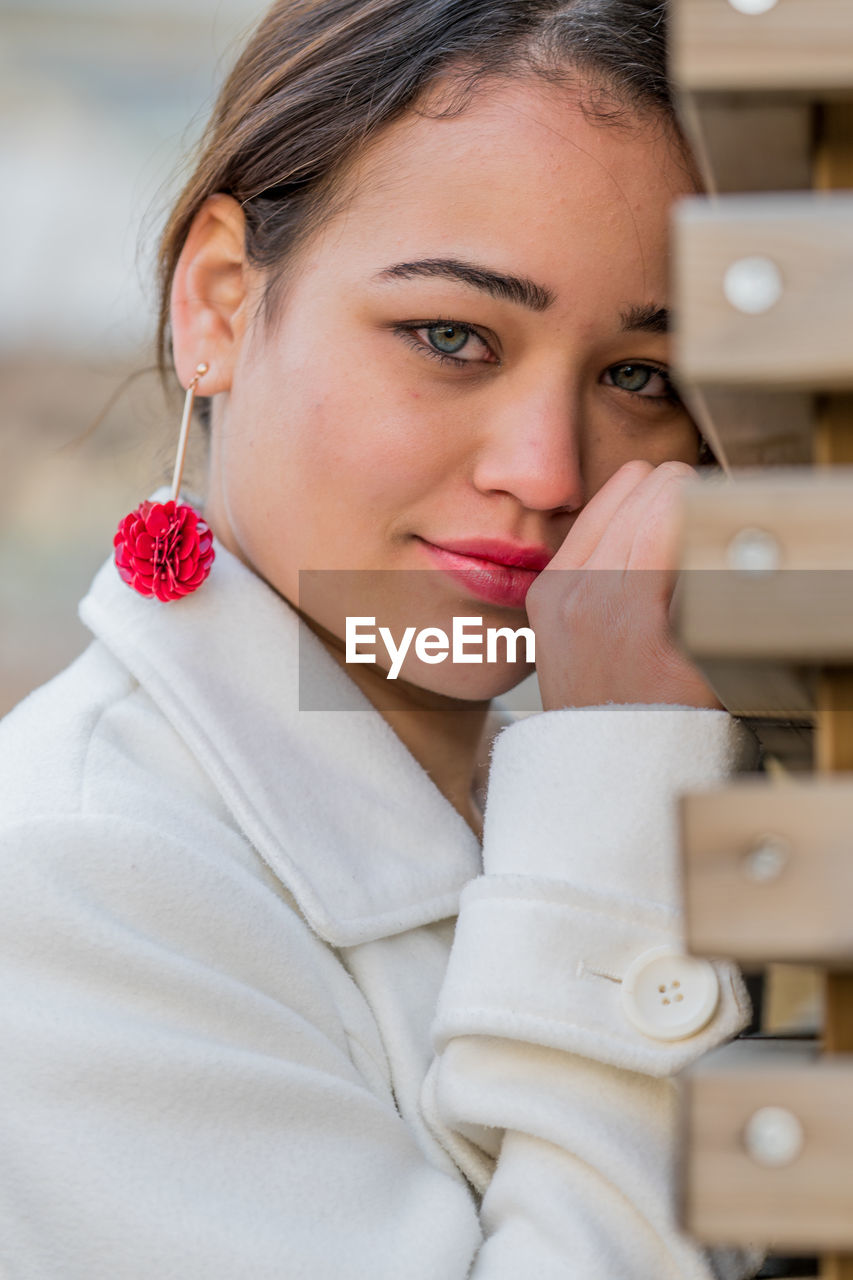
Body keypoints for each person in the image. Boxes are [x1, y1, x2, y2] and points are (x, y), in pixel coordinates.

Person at [0, 1, 762, 1276]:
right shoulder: (74, 883)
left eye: (638, 374)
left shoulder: (557, 780)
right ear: (221, 302)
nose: (545, 469)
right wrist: (620, 768)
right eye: (452, 337)